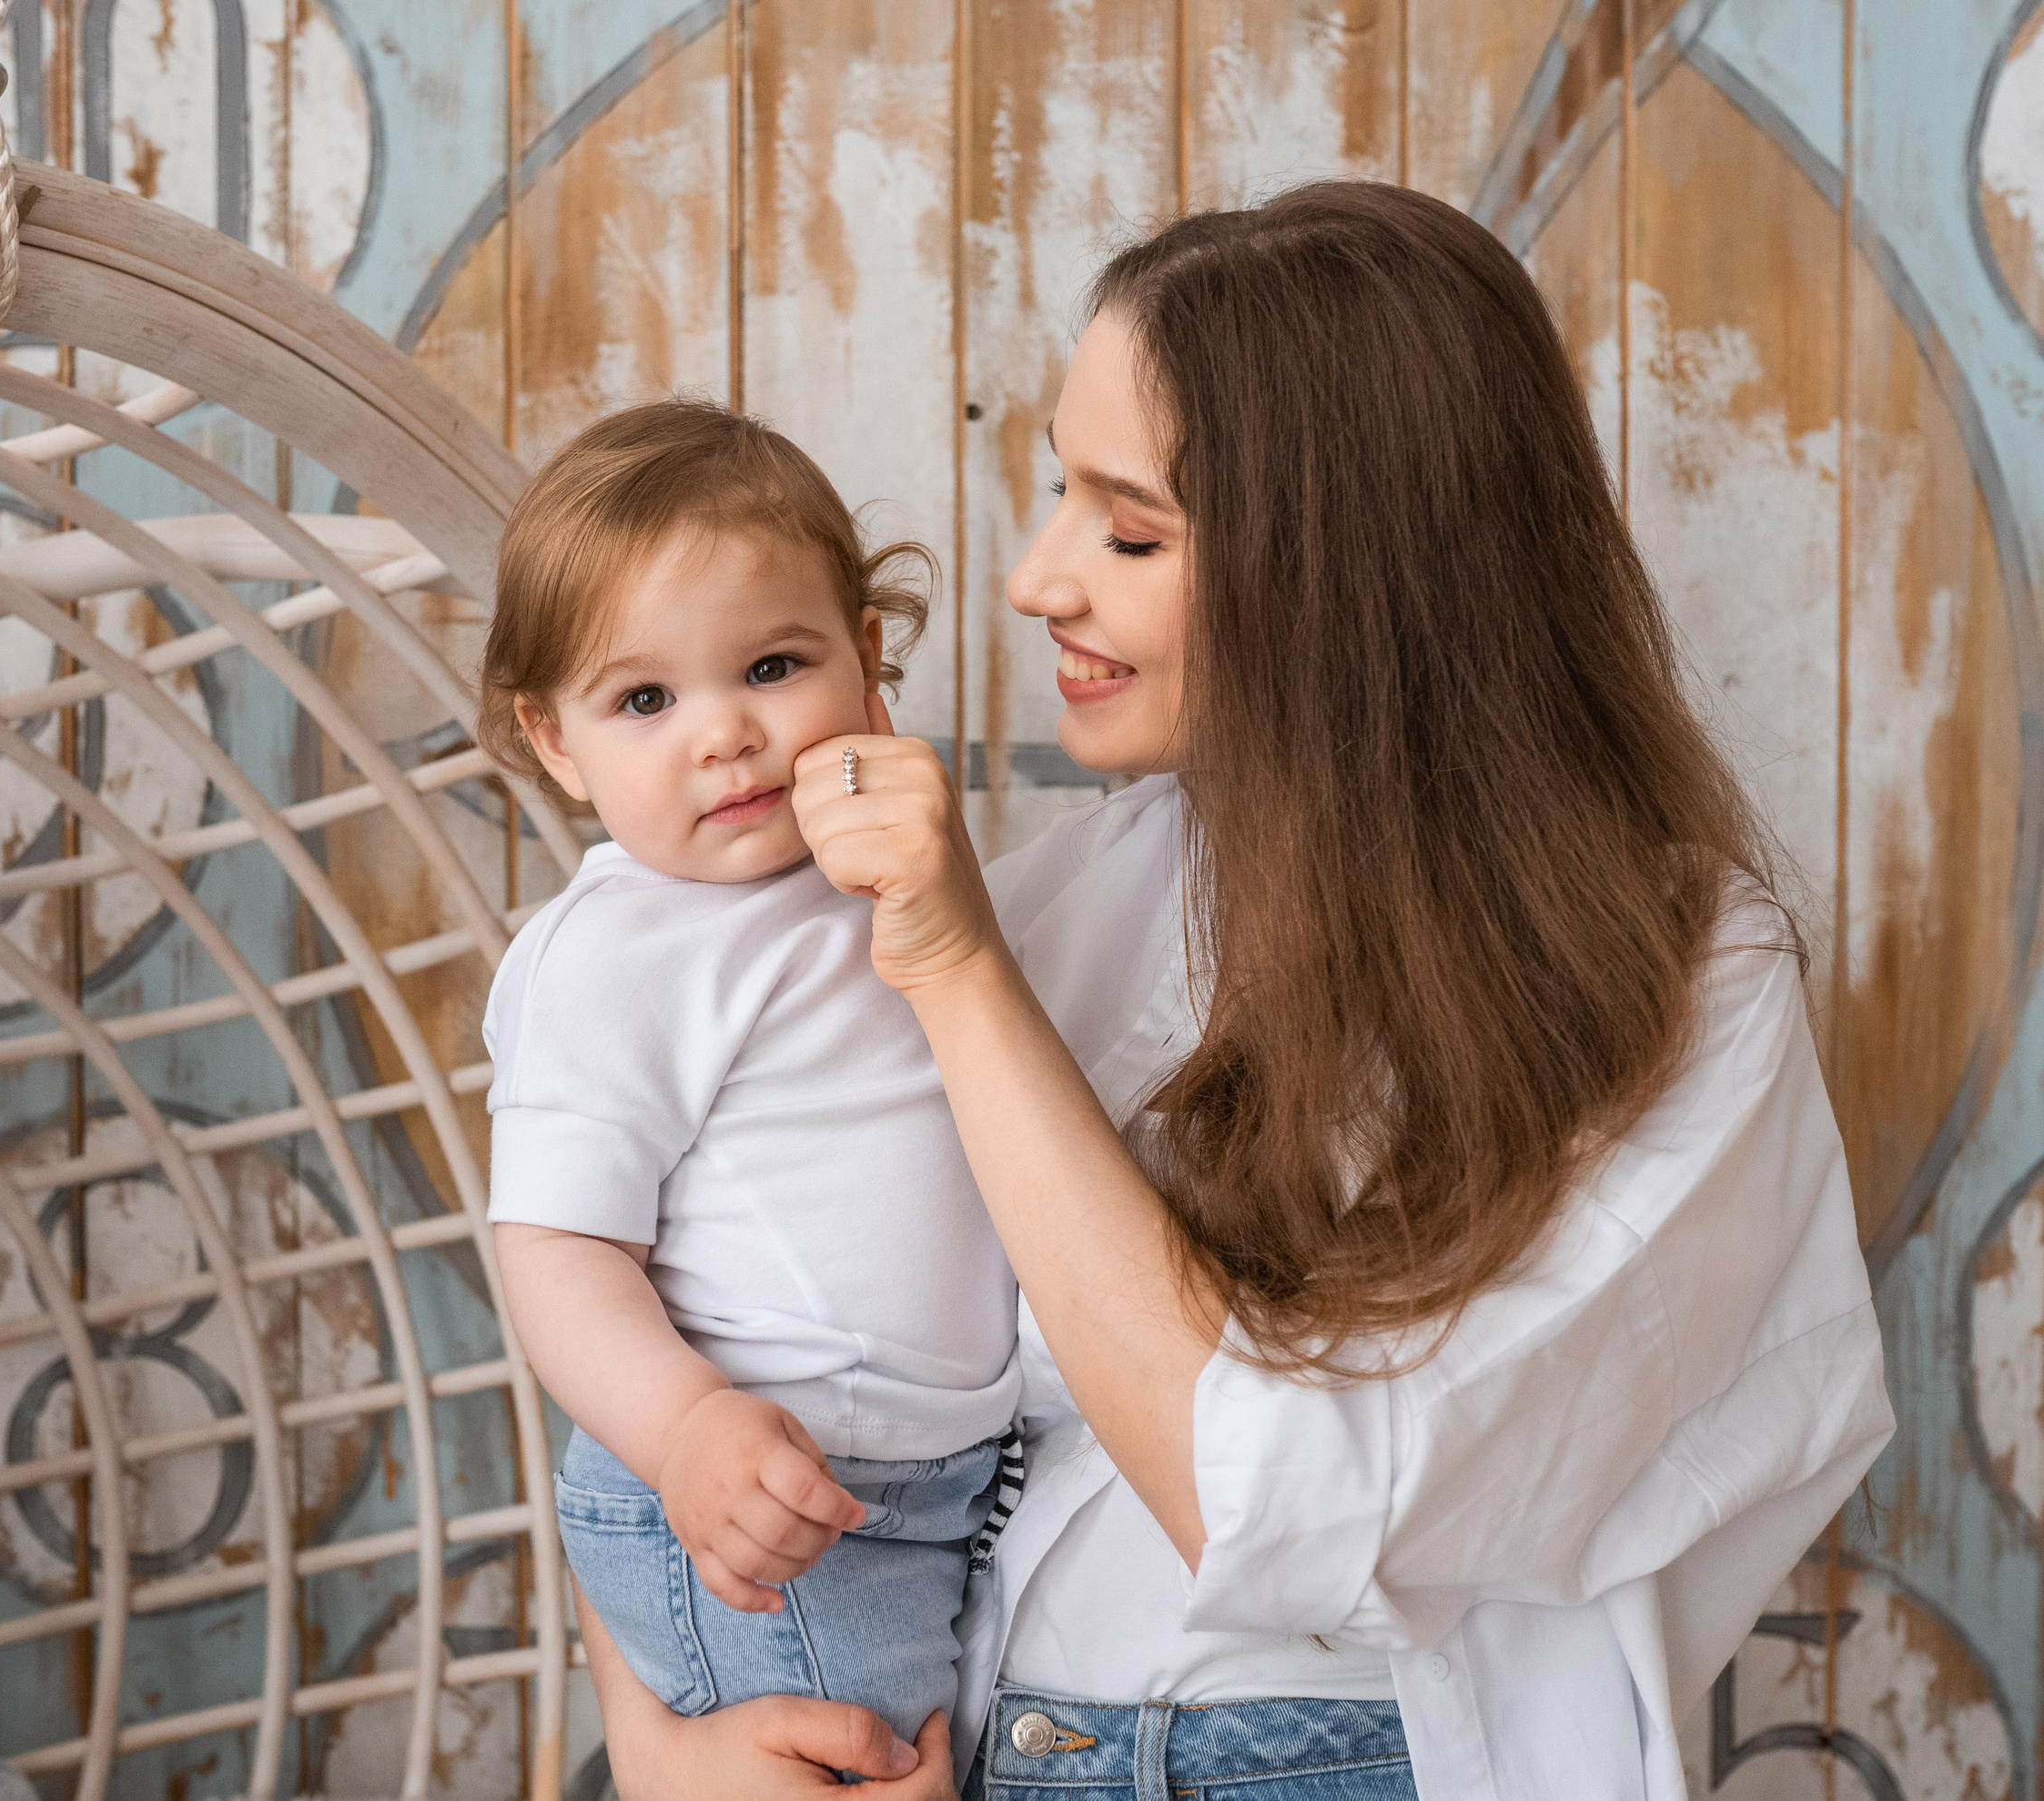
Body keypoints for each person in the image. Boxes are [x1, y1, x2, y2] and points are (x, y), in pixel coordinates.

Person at [573, 183, 1894, 1800]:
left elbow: (1289, 1501)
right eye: (1059, 494)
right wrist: (665, 1739)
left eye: (1130, 530)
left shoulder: (1679, 985)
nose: (1038, 581)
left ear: (1354, 575)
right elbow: (701, 1330)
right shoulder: (1060, 897)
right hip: (971, 1747)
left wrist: (963, 977)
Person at [478, 400, 1019, 1749]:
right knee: (851, 1771)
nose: (723, 734)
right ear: (556, 743)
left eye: (775, 666)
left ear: (869, 655)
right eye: (646, 699)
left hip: (930, 1487)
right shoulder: (618, 954)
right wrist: (685, 1433)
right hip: (760, 1492)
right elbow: (553, 1251)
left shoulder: (882, 881)